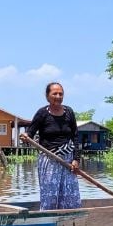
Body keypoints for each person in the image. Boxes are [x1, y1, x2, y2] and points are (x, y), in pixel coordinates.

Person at [20, 81, 82, 210]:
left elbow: (75, 136)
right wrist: (26, 136)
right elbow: (30, 133)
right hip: (49, 159)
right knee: (50, 194)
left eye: (61, 94)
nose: (58, 96)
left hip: (68, 160)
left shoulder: (69, 112)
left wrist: (76, 159)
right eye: (55, 94)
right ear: (48, 96)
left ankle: (70, 220)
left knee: (70, 195)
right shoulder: (42, 113)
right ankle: (49, 219)